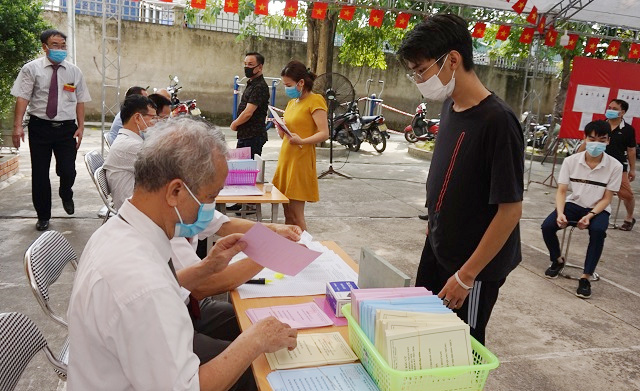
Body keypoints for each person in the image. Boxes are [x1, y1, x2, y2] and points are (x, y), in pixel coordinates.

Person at [67, 117, 297, 391]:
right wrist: (254, 341)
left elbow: (165, 287)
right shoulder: (142, 286)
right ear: (175, 191)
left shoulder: (120, 232)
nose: (211, 208)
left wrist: (209, 265)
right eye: (210, 197)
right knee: (263, 369)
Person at [397, 14, 524, 345]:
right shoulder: (452, 108)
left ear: (452, 60)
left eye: (421, 70)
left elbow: (510, 210)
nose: (419, 79)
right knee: (424, 337)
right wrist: (434, 222)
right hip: (439, 247)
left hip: (473, 269)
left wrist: (466, 276)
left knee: (459, 349)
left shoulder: (499, 122)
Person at [11, 29, 91, 231]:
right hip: (40, 127)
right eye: (55, 45)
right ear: (45, 47)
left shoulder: (73, 71)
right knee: (39, 173)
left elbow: (80, 100)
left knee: (68, 170)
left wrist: (81, 126)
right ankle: (43, 215)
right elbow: (23, 98)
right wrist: (17, 126)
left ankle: (66, 191)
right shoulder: (31, 69)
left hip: (66, 129)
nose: (60, 49)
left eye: (63, 45)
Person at [541, 120, 622, 298]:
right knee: (547, 226)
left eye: (602, 140)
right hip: (574, 204)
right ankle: (557, 259)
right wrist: (560, 213)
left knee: (599, 231)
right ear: (584, 138)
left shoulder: (615, 166)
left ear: (608, 141)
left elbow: (608, 198)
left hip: (598, 208)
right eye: (592, 139)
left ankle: (585, 277)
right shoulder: (571, 161)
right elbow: (561, 191)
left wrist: (591, 215)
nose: (596, 143)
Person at [272, 61, 330, 231]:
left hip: (301, 160)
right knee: (287, 214)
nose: (286, 88)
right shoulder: (292, 103)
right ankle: (289, 250)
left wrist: (302, 141)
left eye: (288, 84)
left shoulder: (315, 100)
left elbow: (324, 133)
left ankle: (304, 250)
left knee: (297, 216)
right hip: (286, 159)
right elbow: (287, 134)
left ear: (301, 83)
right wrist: (280, 126)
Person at [577, 99, 636, 231]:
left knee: (627, 194)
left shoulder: (628, 130)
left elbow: (631, 150)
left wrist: (632, 169)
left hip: (618, 167)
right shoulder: (600, 126)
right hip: (596, 164)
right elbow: (586, 142)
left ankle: (629, 217)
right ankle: (589, 214)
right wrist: (576, 157)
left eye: (614, 109)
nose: (610, 110)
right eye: (609, 107)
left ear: (623, 112)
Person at [104, 95, 157, 210]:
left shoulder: (130, 141)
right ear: (137, 118)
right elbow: (163, 169)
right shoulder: (131, 146)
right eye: (152, 117)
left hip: (135, 203)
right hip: (133, 209)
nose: (154, 122)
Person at [230, 52, 270, 158]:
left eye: (251, 64)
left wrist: (235, 124)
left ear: (260, 67)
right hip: (245, 134)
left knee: (248, 168)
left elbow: (248, 112)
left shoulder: (259, 86)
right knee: (241, 168)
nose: (247, 67)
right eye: (245, 64)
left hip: (253, 136)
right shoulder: (251, 83)